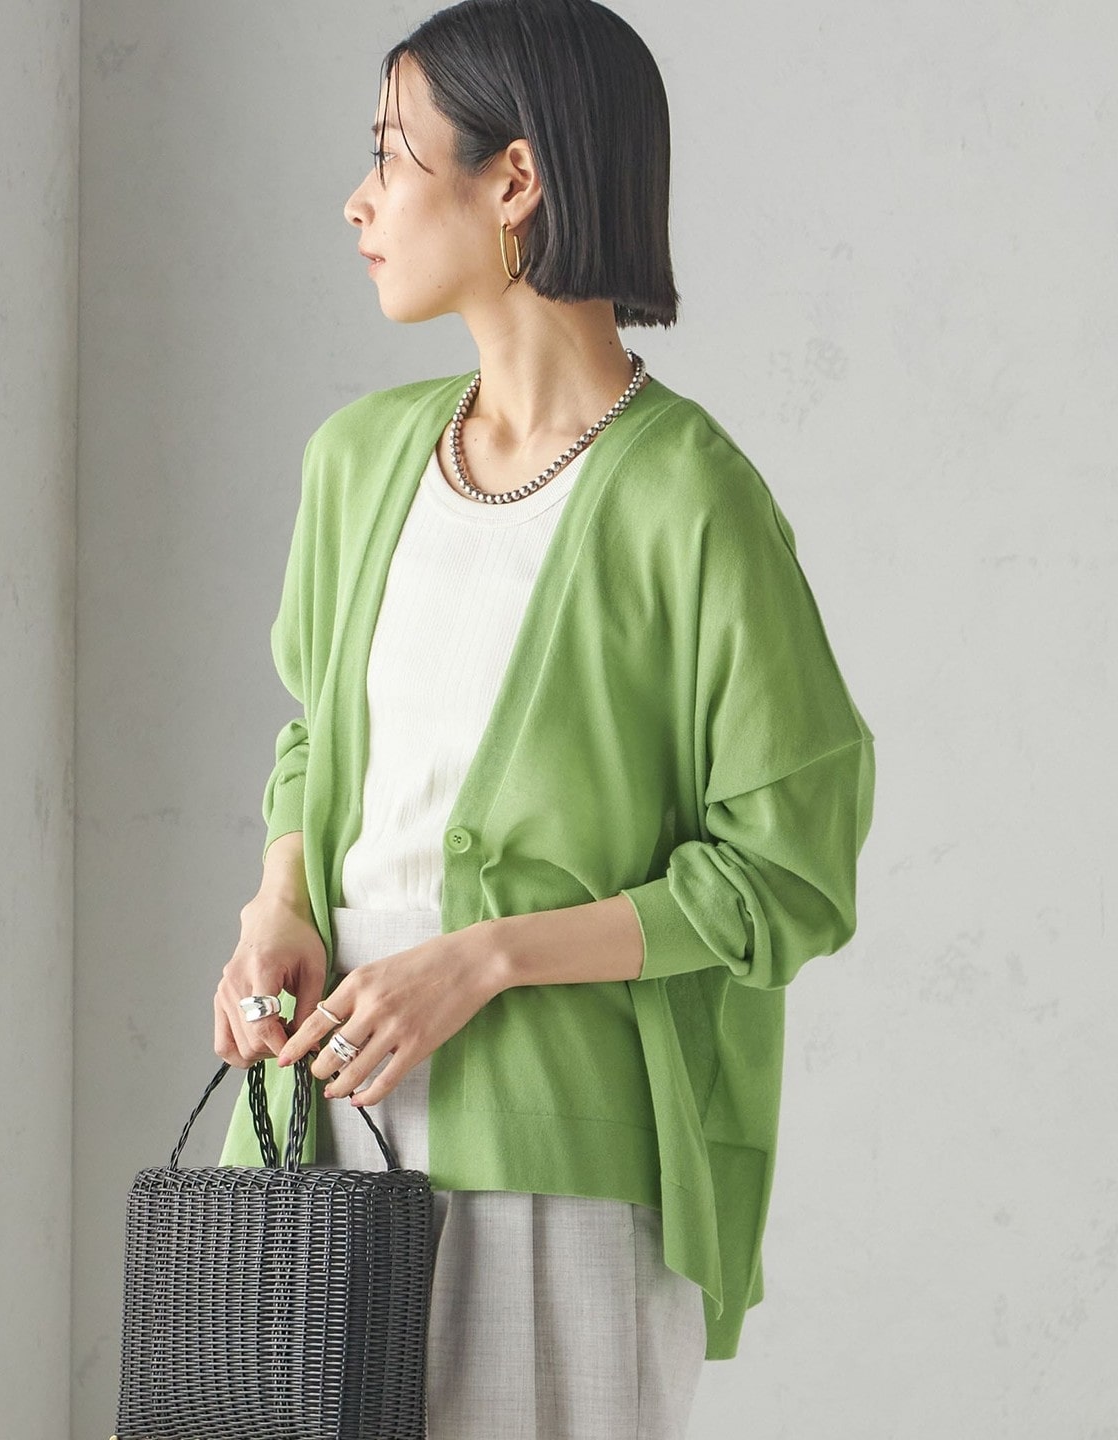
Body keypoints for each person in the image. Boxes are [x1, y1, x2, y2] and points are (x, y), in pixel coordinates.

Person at [212, 1, 875, 1436]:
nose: (358, 200)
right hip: (317, 1136)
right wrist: (279, 900)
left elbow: (787, 869)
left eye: (392, 154)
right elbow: (319, 737)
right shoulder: (357, 462)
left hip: (556, 1171)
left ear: (513, 180)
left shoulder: (689, 498)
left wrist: (486, 960)